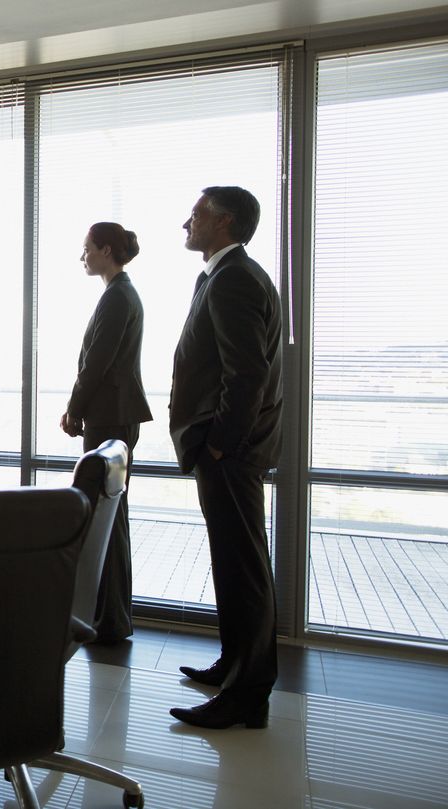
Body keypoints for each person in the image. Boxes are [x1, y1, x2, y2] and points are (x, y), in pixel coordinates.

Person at [169, 186, 283, 729]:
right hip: (227, 450)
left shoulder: (235, 276)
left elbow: (247, 374)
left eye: (195, 215)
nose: (186, 223)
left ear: (224, 222)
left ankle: (247, 695)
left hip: (229, 452)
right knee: (234, 564)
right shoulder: (225, 274)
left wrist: (219, 443)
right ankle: (234, 666)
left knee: (242, 569)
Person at [60, 222, 153, 643]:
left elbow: (95, 364)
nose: (83, 257)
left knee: (106, 518)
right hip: (115, 414)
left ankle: (110, 619)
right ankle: (112, 616)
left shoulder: (117, 297)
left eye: (87, 249)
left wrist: (73, 408)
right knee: (112, 518)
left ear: (106, 250)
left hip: (109, 416)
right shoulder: (120, 293)